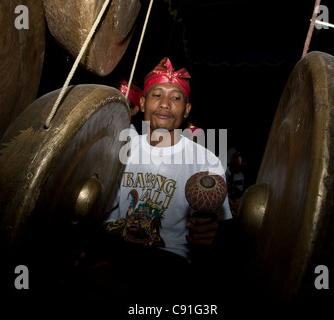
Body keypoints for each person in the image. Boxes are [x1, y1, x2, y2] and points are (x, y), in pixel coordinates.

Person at [78, 57, 232, 301]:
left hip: (170, 263)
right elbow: (96, 207)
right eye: (157, 95)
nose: (165, 104)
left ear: (187, 109)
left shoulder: (206, 161)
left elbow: (216, 227)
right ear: (142, 102)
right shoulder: (118, 148)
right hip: (114, 251)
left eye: (176, 97)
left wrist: (209, 230)